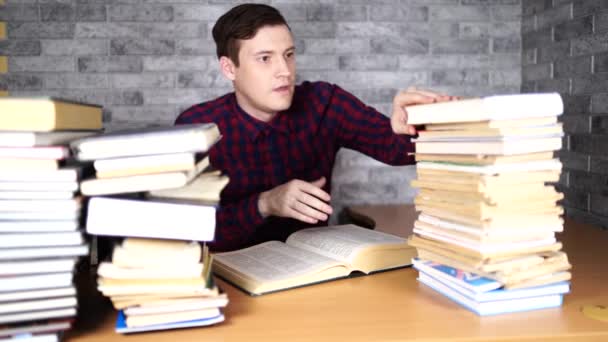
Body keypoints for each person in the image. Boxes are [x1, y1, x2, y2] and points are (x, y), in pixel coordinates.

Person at [175, 3, 456, 252]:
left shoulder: (324, 103)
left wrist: (413, 123)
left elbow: (398, 151)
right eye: (265, 58)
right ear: (229, 69)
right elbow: (185, 228)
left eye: (288, 54)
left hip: (316, 269)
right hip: (227, 280)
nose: (284, 70)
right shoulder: (195, 129)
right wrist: (265, 203)